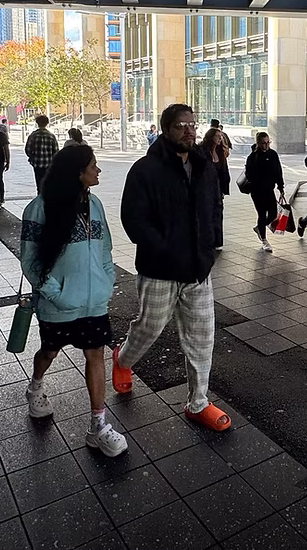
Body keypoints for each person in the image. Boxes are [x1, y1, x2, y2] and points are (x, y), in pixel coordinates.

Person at [113, 103, 230, 431]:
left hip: (198, 269)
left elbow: (213, 207)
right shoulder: (145, 170)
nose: (189, 130)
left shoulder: (204, 165)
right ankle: (123, 359)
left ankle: (198, 402)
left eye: (192, 124)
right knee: (149, 327)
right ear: (165, 130)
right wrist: (163, 247)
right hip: (160, 268)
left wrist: (209, 247)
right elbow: (133, 220)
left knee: (202, 336)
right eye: (181, 125)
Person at [20, 145, 127, 457]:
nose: (98, 170)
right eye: (93, 165)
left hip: (94, 303)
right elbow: (30, 261)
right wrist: (57, 293)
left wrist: (106, 280)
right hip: (57, 305)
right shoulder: (39, 208)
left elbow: (105, 247)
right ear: (77, 172)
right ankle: (36, 386)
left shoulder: (95, 205)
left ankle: (98, 426)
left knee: (96, 354)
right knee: (49, 352)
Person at [244, 131, 285, 253]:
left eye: (268, 142)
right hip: (257, 191)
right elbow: (249, 174)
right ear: (258, 143)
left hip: (269, 189)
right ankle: (264, 240)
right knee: (262, 214)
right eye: (263, 143)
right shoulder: (253, 157)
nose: (266, 145)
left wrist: (281, 186)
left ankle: (259, 227)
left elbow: (278, 170)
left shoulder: (273, 154)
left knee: (273, 214)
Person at [200, 127, 230, 249]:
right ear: (211, 137)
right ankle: (207, 239)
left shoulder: (220, 152)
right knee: (206, 214)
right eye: (217, 136)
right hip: (205, 188)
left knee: (217, 213)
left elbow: (224, 171)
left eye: (221, 136)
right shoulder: (202, 151)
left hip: (217, 189)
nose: (220, 138)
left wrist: (224, 188)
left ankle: (217, 241)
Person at [25, 115, 60, 194]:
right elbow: (56, 151)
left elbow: (28, 150)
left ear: (37, 123)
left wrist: (32, 158)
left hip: (37, 164)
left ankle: (40, 197)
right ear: (47, 123)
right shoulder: (51, 136)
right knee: (48, 184)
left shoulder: (33, 136)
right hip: (49, 164)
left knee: (39, 184)